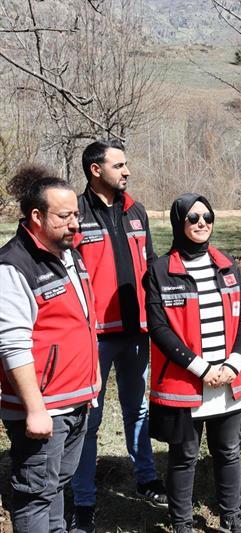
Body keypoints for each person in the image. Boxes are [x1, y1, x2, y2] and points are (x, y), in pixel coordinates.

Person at [145, 194, 241, 533]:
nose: (202, 223)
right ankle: (181, 521)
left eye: (207, 216)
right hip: (186, 381)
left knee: (229, 451)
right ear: (179, 223)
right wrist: (201, 369)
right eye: (193, 218)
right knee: (185, 455)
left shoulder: (227, 263)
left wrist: (233, 364)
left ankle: (232, 515)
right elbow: (159, 328)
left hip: (228, 378)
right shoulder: (160, 270)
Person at [0, 164, 100, 532]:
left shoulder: (68, 252)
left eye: (76, 214)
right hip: (45, 408)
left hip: (76, 399)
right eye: (64, 216)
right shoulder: (13, 267)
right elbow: (13, 345)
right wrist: (35, 409)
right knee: (35, 496)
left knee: (57, 484)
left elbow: (82, 321)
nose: (75, 224)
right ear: (37, 216)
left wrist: (92, 378)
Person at [71, 140, 165, 532]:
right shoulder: (75, 214)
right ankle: (83, 499)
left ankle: (146, 478)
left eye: (126, 164)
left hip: (137, 332)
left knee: (137, 409)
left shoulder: (136, 211)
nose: (126, 171)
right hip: (93, 337)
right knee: (89, 419)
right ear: (96, 170)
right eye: (119, 165)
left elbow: (151, 265)